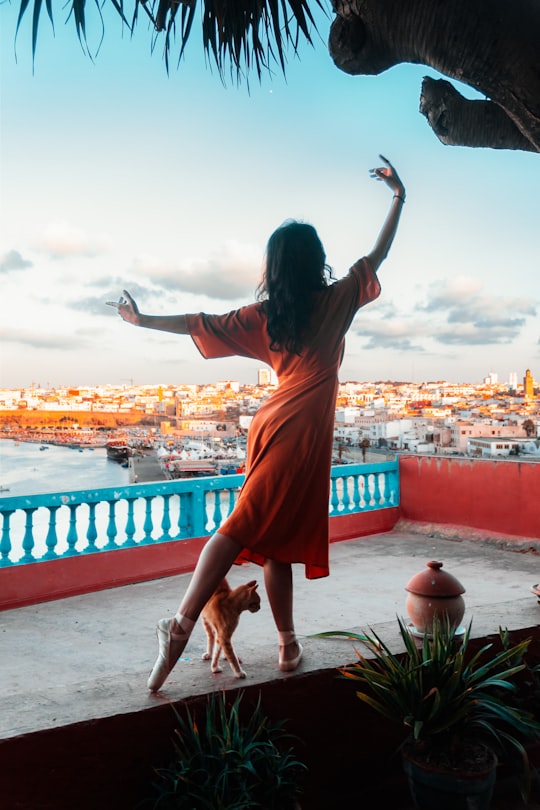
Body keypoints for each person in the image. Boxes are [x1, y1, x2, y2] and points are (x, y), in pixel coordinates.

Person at [115, 155, 406, 691]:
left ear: (274, 267)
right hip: (303, 434)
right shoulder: (337, 300)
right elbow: (378, 254)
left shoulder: (265, 316)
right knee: (243, 528)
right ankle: (180, 626)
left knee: (272, 540)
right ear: (316, 261)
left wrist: (141, 320)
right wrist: (397, 197)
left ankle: (287, 644)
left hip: (274, 425)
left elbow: (198, 323)